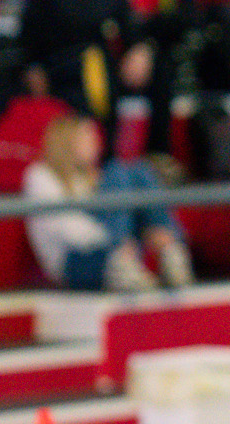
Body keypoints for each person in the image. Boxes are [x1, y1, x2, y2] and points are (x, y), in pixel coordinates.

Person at [18, 0, 159, 148]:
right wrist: (32, 66)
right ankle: (99, 148)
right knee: (92, 68)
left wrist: (141, 51)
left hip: (99, 71)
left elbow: (132, 33)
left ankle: (156, 149)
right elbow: (28, 36)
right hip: (57, 68)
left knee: (157, 69)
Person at [24, 111, 193, 291]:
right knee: (117, 170)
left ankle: (169, 246)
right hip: (75, 261)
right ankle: (126, 257)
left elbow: (111, 221)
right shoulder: (40, 174)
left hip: (109, 248)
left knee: (138, 168)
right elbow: (71, 231)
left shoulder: (89, 175)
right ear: (67, 142)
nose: (96, 143)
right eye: (88, 137)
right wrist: (120, 240)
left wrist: (136, 233)